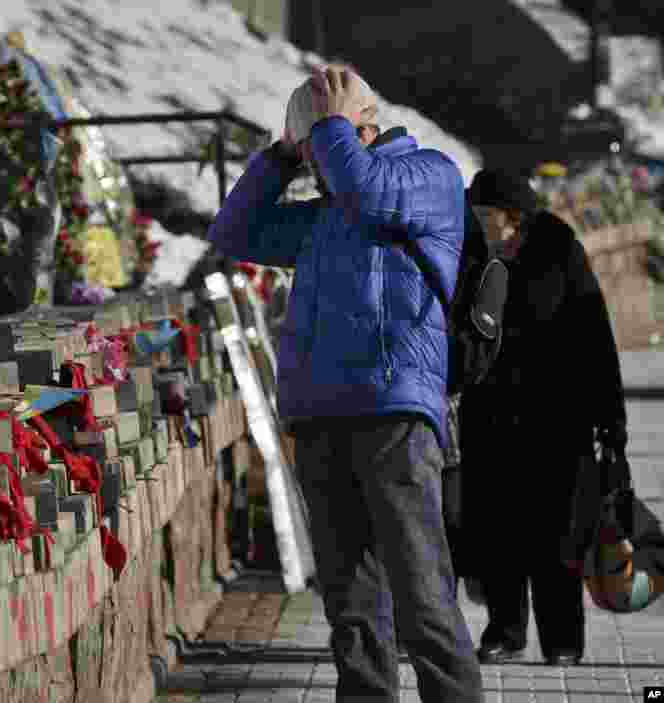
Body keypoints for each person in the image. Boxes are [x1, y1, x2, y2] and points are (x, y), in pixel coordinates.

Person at [209, 64, 484, 703]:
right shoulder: (324, 215)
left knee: (422, 598)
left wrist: (330, 126)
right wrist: (280, 157)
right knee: (353, 611)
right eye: (307, 152)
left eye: (318, 146)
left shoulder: (430, 176)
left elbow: (369, 193)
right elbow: (233, 232)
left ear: (361, 128)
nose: (314, 163)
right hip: (321, 418)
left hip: (395, 414)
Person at [457, 168, 628, 666]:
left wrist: (611, 420)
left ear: (512, 215)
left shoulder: (558, 248)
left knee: (558, 535)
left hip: (557, 416)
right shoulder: (471, 252)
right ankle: (504, 632)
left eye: (485, 214)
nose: (478, 221)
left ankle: (563, 640)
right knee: (497, 530)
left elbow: (594, 334)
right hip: (489, 414)